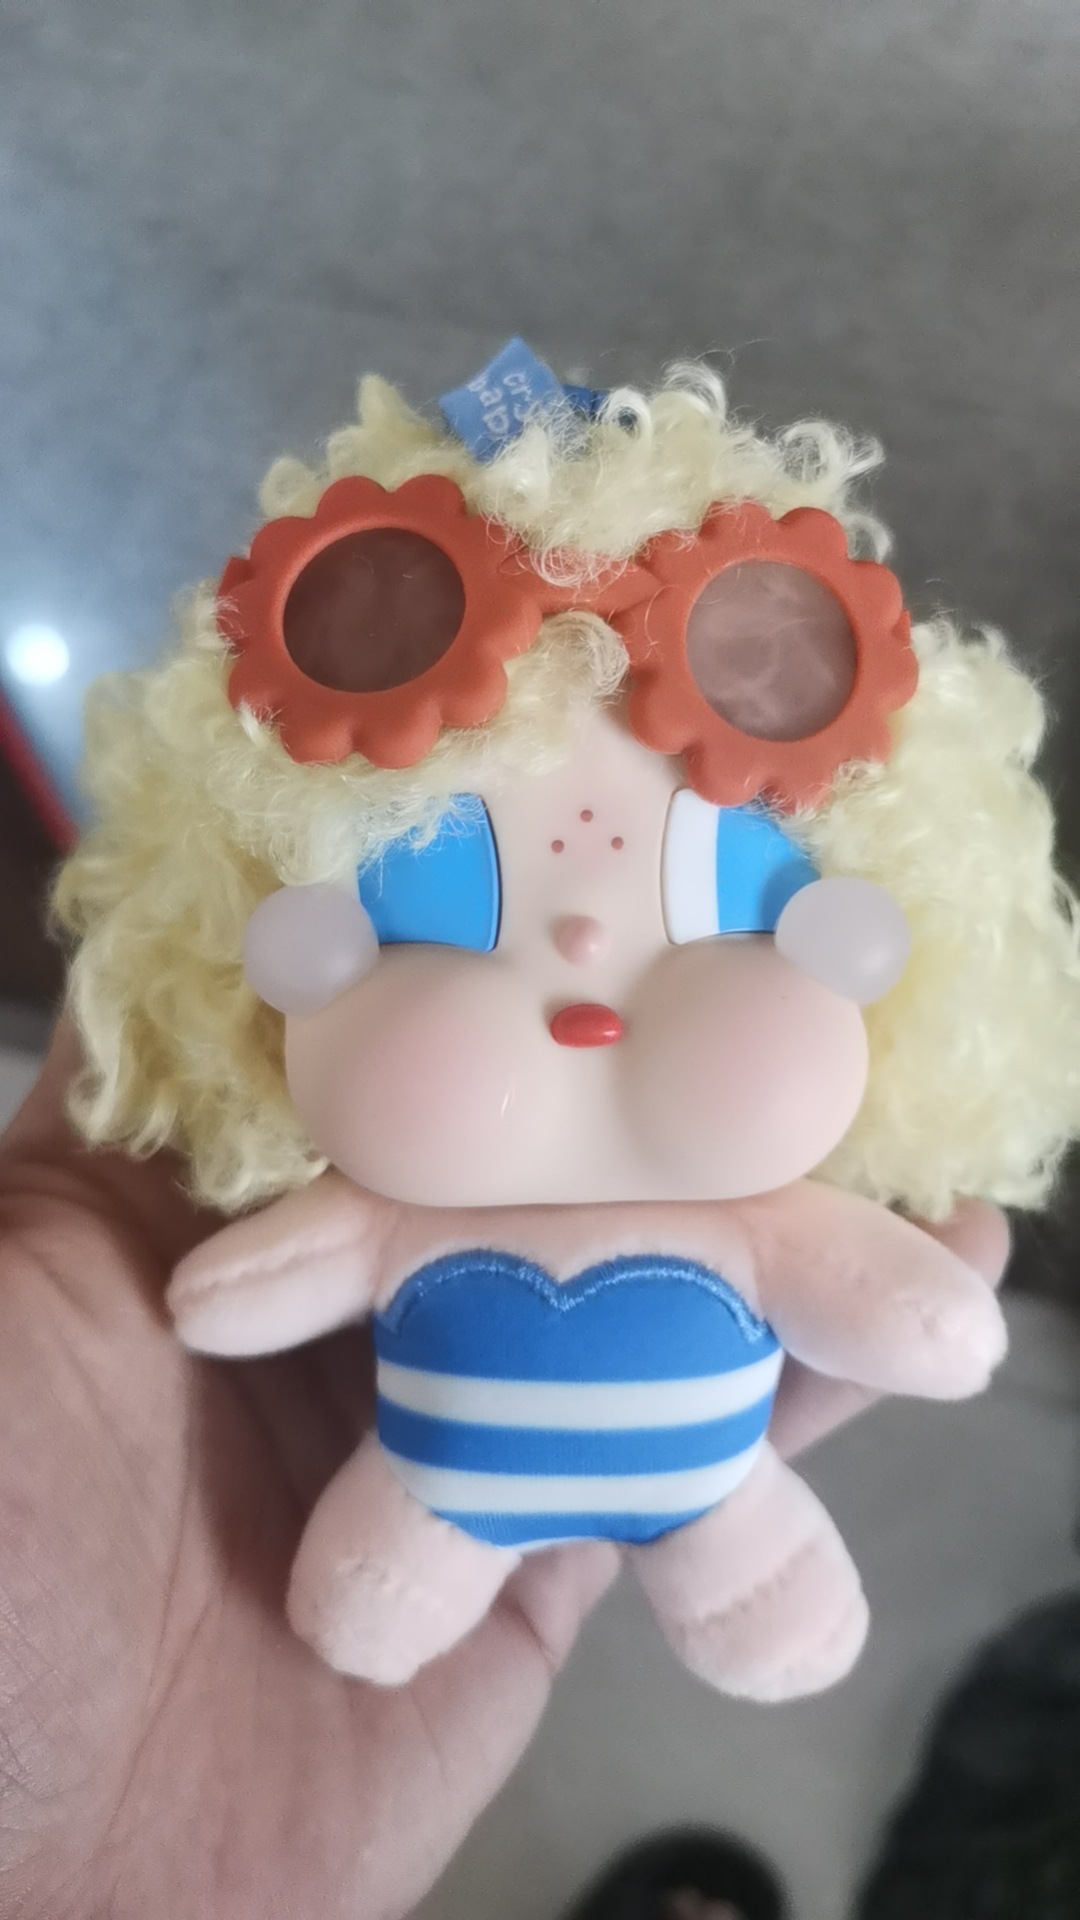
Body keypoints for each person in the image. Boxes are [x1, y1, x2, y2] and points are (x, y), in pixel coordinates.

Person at [0, 1024, 1000, 1918]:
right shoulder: (402, 1206)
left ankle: (742, 1571)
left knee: (742, 1568)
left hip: (695, 1497)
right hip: (437, 1499)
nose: (584, 970)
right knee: (373, 1592)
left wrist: (934, 1323)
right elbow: (245, 1289)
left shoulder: (760, 1215)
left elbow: (904, 1309)